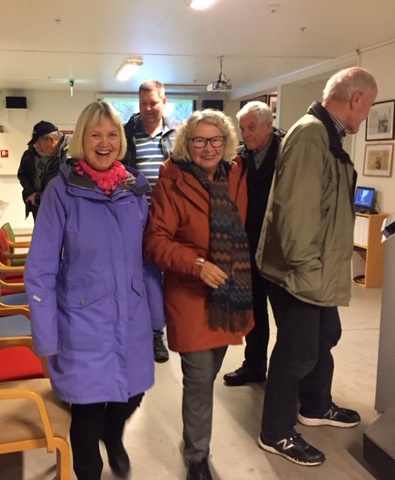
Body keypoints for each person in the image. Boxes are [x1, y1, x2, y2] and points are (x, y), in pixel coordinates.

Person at [25, 101, 164, 480]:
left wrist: (156, 317)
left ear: (121, 139)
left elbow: (148, 258)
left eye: (112, 134)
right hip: (82, 318)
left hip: (131, 315)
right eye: (95, 134)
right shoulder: (61, 191)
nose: (104, 143)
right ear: (81, 140)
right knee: (87, 411)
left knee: (132, 393)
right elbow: (40, 269)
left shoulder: (135, 188)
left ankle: (113, 435)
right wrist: (46, 336)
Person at [255, 67, 378, 466]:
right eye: (369, 105)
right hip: (302, 271)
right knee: (297, 352)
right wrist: (306, 269)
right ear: (356, 99)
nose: (367, 114)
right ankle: (275, 432)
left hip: (318, 270)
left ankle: (315, 404)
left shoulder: (326, 134)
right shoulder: (311, 134)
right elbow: (296, 212)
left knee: (326, 335)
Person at [143, 109, 253, 480]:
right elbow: (155, 241)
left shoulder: (235, 174)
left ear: (227, 142)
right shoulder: (171, 180)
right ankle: (197, 456)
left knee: (209, 373)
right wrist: (197, 265)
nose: (208, 148)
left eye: (215, 140)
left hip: (229, 293)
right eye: (200, 141)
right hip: (190, 294)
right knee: (200, 379)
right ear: (187, 144)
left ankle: (195, 443)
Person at [223, 101, 283, 386]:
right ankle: (255, 366)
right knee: (255, 309)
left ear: (268, 125)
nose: (245, 133)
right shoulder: (241, 157)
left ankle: (287, 376)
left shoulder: (287, 151)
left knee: (285, 315)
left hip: (279, 247)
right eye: (242, 128)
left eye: (251, 127)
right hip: (249, 244)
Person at [123, 79, 180, 364]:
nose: (148, 108)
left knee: (173, 278)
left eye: (153, 103)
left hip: (171, 220)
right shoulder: (127, 134)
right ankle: (155, 334)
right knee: (146, 277)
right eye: (143, 103)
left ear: (163, 102)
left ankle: (167, 329)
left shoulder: (178, 134)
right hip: (136, 219)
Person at [18, 120, 70, 218]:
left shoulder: (68, 157)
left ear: (51, 139)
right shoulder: (53, 155)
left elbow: (64, 191)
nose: (37, 148)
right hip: (49, 206)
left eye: (39, 144)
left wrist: (38, 197)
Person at [16, 144, 45, 220]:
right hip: (34, 198)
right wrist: (30, 190)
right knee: (38, 223)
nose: (37, 146)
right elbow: (22, 174)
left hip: (48, 197)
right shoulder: (28, 155)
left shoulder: (53, 156)